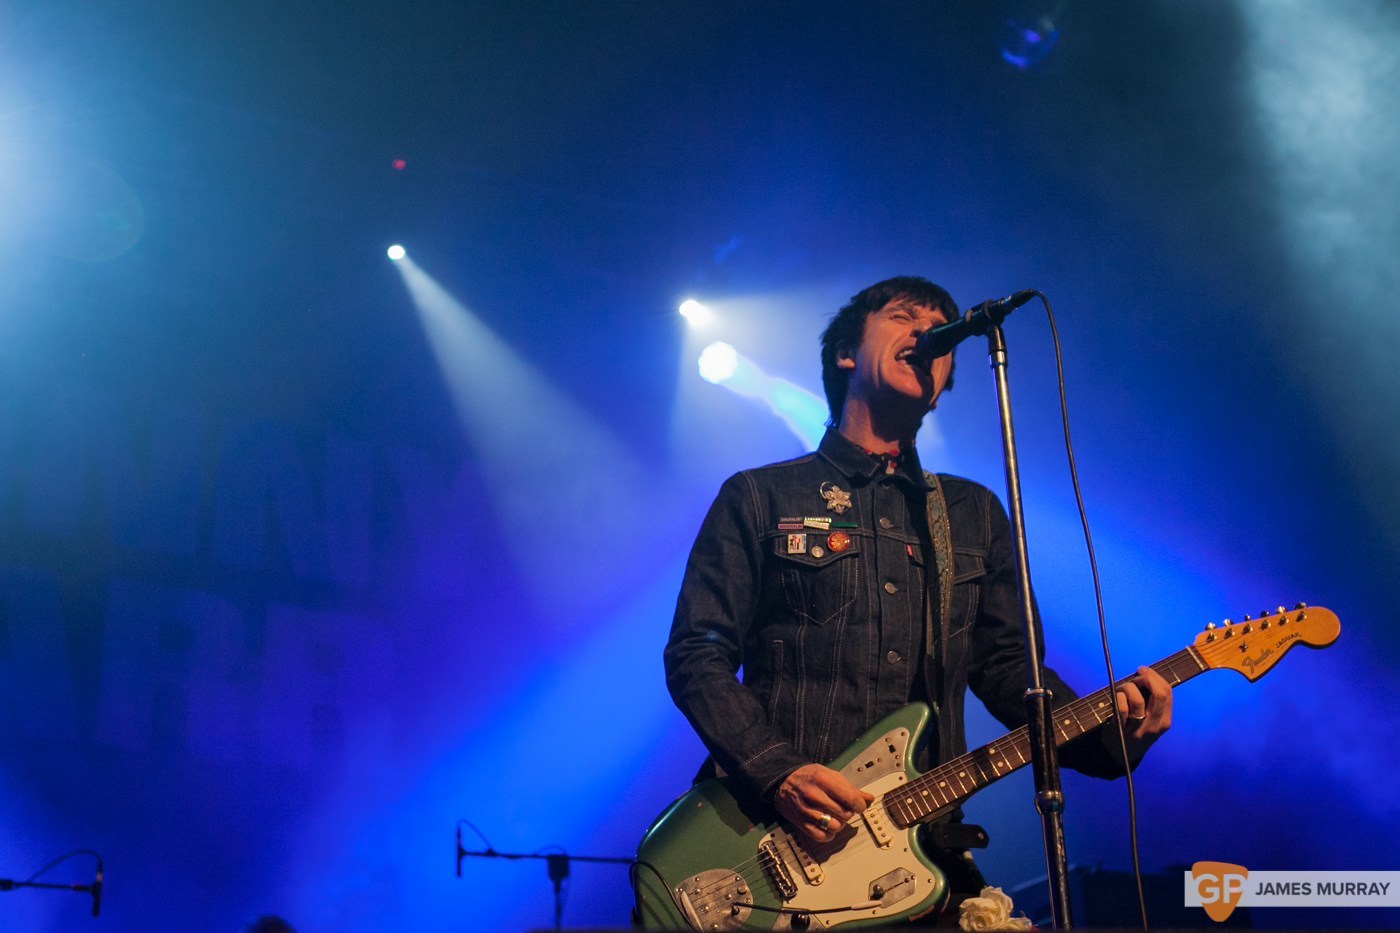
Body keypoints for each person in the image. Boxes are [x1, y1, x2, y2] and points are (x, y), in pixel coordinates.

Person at [663, 275, 1171, 915]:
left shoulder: (973, 513)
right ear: (848, 352)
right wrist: (779, 773)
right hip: (773, 850)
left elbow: (1012, 671)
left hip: (918, 863)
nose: (928, 332)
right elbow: (696, 656)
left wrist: (1114, 738)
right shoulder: (760, 497)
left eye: (942, 329)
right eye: (906, 317)